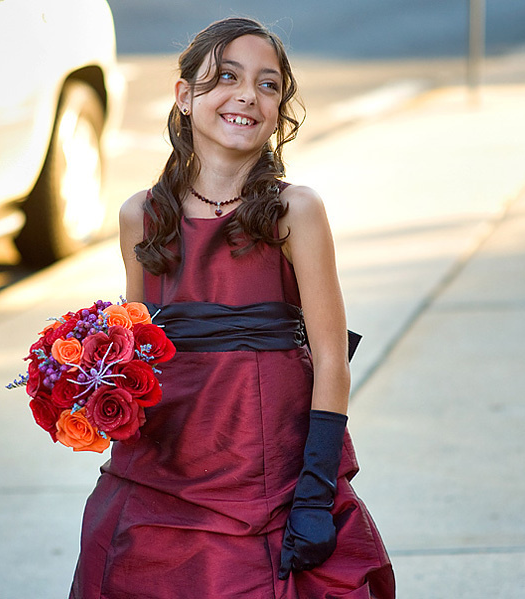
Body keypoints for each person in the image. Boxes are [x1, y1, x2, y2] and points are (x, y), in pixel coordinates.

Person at [69, 17, 395, 599]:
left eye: (268, 85)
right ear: (184, 96)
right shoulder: (140, 217)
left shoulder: (295, 212)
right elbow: (134, 352)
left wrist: (315, 491)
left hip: (265, 471)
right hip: (163, 469)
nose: (247, 95)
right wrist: (86, 385)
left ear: (278, 111)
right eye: (226, 77)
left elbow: (331, 360)